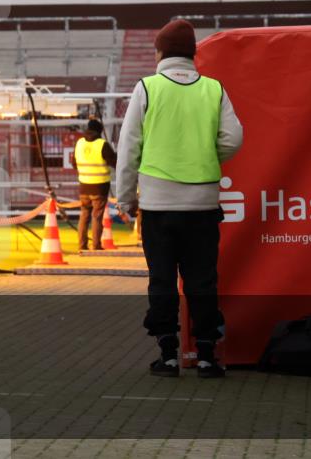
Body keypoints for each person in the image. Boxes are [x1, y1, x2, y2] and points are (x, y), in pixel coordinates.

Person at [115, 19, 243, 379]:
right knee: (203, 280)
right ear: (192, 53)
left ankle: (168, 354)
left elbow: (129, 149)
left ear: (159, 52)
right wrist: (205, 153)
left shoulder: (147, 88)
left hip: (158, 204)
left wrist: (126, 199)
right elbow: (233, 138)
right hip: (202, 204)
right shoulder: (213, 89)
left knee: (162, 279)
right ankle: (206, 355)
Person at [72, 119, 117, 252]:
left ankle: (82, 245)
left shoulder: (79, 143)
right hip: (100, 187)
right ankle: (96, 246)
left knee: (84, 215)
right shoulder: (102, 144)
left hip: (84, 185)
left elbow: (74, 163)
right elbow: (114, 162)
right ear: (100, 131)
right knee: (97, 216)